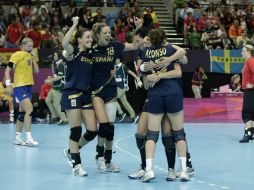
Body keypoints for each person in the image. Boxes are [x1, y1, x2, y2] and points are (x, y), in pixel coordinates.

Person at [128, 28, 194, 181]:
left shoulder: (146, 52)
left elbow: (141, 69)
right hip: (171, 94)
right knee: (178, 133)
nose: (144, 41)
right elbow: (182, 55)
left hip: (155, 95)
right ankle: (182, 170)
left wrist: (155, 73)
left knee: (155, 134)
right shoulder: (170, 50)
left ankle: (153, 170)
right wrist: (168, 60)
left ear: (151, 39)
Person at [91, 20, 142, 173]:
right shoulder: (91, 50)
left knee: (110, 128)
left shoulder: (115, 46)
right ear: (98, 35)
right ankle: (99, 156)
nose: (108, 35)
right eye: (105, 33)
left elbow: (134, 46)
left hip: (111, 90)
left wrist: (137, 29)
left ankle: (108, 160)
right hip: (96, 92)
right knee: (104, 125)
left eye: (109, 32)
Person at [61, 17, 97, 176]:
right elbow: (64, 43)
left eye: (91, 37)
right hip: (71, 94)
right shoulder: (73, 52)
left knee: (92, 131)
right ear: (80, 39)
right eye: (87, 37)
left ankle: (71, 151)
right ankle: (76, 165)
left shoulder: (91, 55)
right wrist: (74, 25)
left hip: (86, 96)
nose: (91, 39)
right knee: (76, 130)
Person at [4, 37, 39, 146]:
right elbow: (7, 70)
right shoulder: (17, 54)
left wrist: (33, 58)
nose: (31, 47)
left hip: (29, 86)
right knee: (30, 109)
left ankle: (18, 138)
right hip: (20, 86)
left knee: (22, 113)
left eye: (32, 45)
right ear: (23, 45)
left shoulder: (30, 55)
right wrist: (9, 86)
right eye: (29, 45)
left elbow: (37, 71)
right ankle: (29, 138)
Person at [115, 56, 142, 123]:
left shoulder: (123, 66)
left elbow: (131, 73)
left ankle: (121, 113)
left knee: (112, 99)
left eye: (115, 58)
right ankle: (133, 117)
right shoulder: (114, 67)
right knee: (125, 102)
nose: (114, 60)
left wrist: (138, 80)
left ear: (119, 59)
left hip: (123, 87)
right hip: (116, 87)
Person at [45, 51, 68, 125]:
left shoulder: (60, 64)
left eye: (55, 56)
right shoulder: (55, 64)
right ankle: (56, 117)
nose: (54, 57)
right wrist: (51, 78)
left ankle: (64, 119)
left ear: (59, 56)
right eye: (53, 56)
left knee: (57, 104)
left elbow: (60, 77)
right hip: (54, 86)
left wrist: (50, 80)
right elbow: (55, 75)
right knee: (48, 100)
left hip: (59, 86)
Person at [239, 43, 254, 143]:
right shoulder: (248, 61)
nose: (241, 52)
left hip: (250, 91)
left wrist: (252, 84)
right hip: (249, 90)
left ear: (248, 51)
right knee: (251, 113)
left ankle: (247, 136)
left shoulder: (250, 61)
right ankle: (251, 134)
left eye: (243, 51)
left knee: (247, 112)